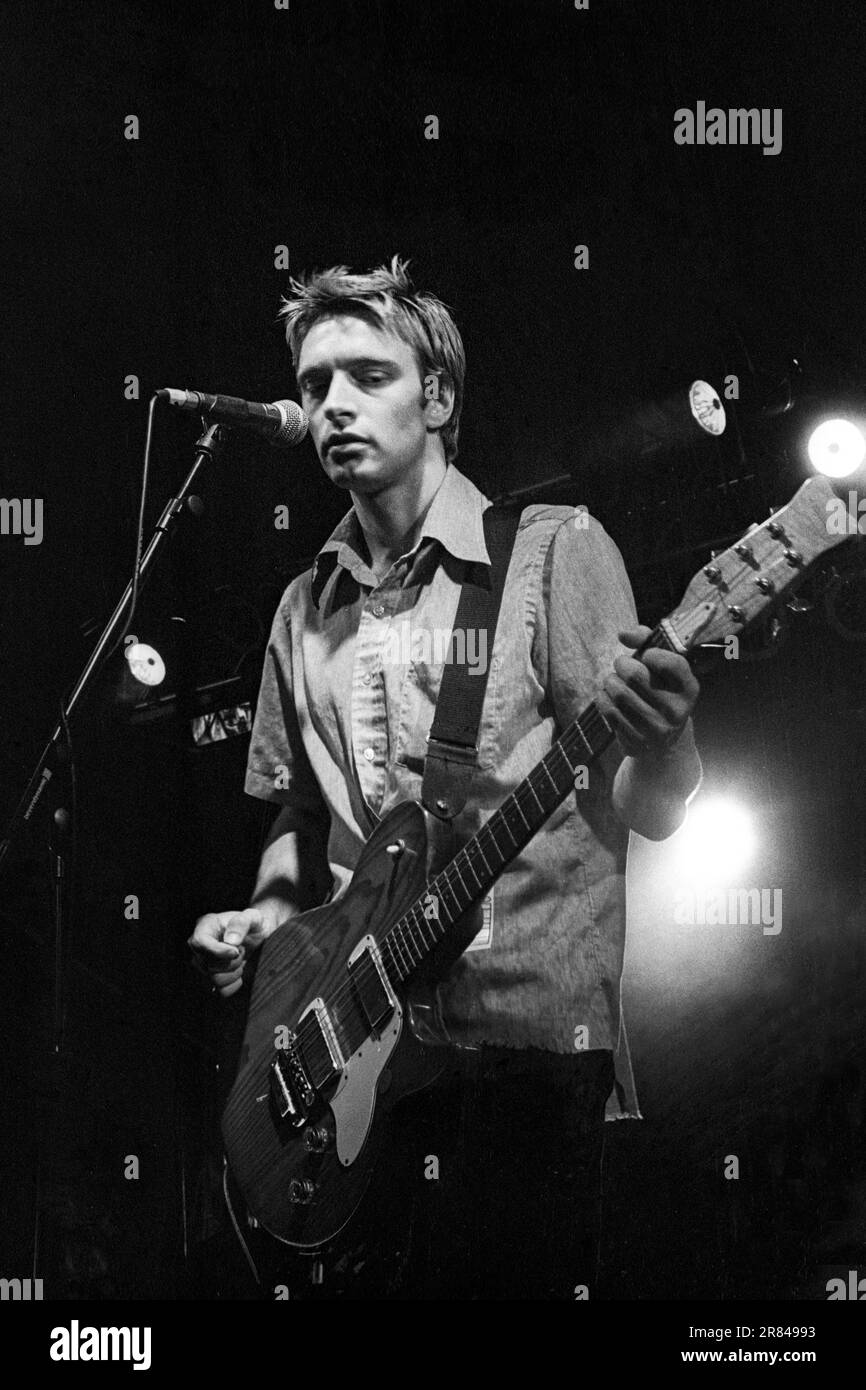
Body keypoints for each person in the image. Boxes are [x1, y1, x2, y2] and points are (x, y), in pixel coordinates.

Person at [189, 256, 701, 1299]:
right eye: (313, 382)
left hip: (520, 1047)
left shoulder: (553, 553)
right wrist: (264, 909)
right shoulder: (302, 606)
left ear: (436, 396)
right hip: (347, 1057)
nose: (330, 403)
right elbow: (296, 812)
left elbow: (649, 811)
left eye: (365, 375)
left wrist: (668, 739)